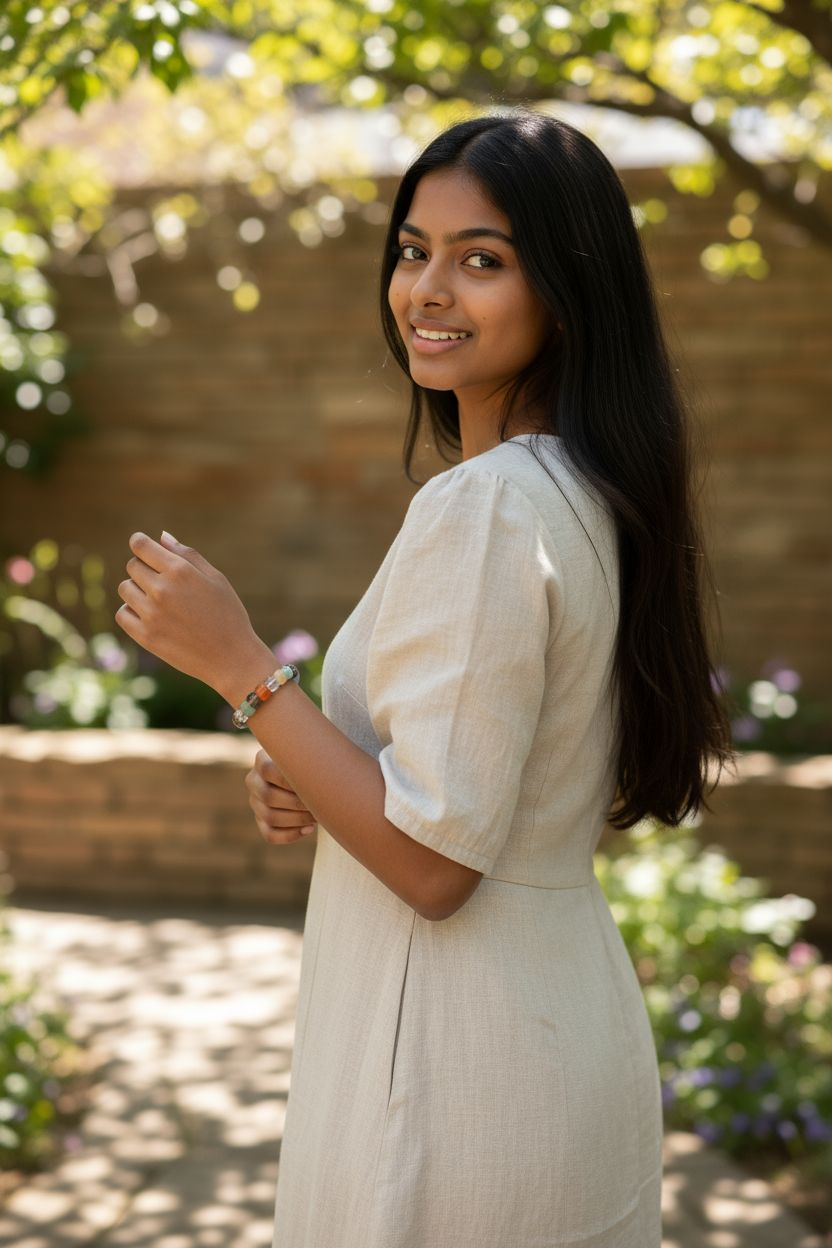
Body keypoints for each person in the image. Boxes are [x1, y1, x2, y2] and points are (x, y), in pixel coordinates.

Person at [116, 107, 736, 1247]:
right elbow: (476, 780)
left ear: (567, 290)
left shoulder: (487, 507)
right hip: (549, 1030)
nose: (428, 290)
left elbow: (436, 865)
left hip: (454, 1071)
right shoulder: (585, 493)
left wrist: (242, 671)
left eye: (481, 260)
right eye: (413, 251)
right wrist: (312, 761)